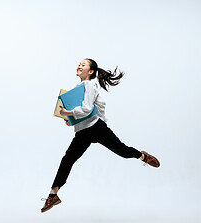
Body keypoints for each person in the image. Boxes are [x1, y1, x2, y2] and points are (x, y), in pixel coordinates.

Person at [41, 58, 160, 213]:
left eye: (83, 65)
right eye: (79, 64)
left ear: (90, 71)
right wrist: (71, 120)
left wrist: (67, 112)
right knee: (67, 159)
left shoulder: (89, 85)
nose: (79, 66)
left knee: (122, 151)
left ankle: (143, 156)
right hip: (83, 132)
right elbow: (83, 111)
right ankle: (53, 195)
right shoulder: (78, 87)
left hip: (96, 128)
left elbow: (88, 110)